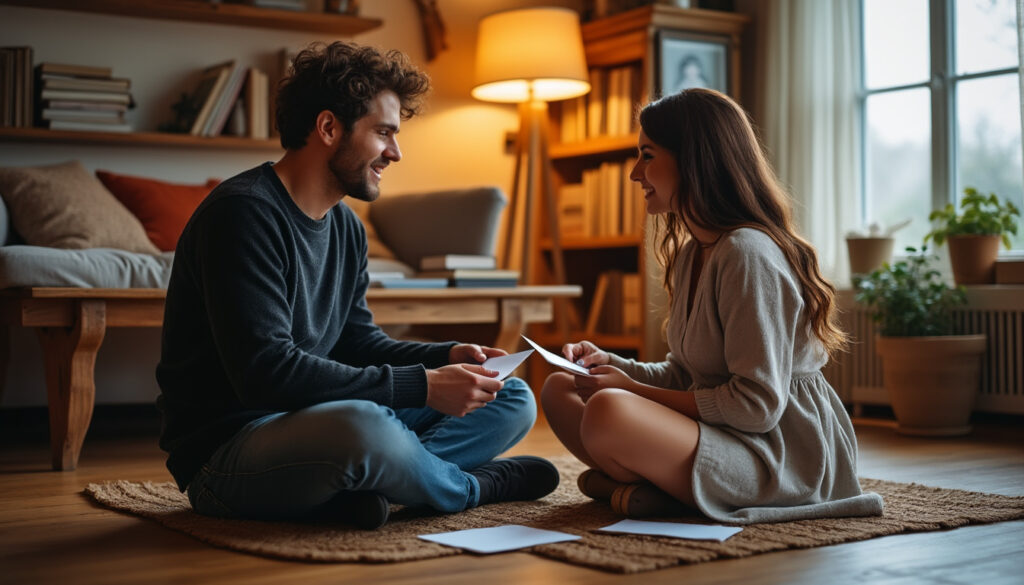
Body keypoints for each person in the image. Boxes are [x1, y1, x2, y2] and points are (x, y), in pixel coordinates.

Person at [156, 41, 559, 530]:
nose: (396, 152)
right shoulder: (242, 214)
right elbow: (265, 373)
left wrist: (446, 357)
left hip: (319, 426)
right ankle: (468, 487)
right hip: (229, 451)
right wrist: (425, 387)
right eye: (384, 132)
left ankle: (379, 485)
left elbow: (355, 341)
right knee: (367, 427)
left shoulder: (345, 226)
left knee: (512, 398)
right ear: (328, 128)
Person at [540, 89, 884, 523]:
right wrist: (613, 365)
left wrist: (631, 391)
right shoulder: (693, 253)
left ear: (692, 160)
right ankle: (663, 494)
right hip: (728, 435)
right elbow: (689, 376)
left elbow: (756, 407)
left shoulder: (747, 253)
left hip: (782, 456)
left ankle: (654, 492)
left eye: (647, 155)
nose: (634, 173)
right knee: (560, 387)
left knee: (609, 409)